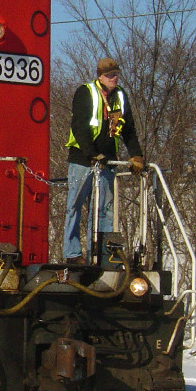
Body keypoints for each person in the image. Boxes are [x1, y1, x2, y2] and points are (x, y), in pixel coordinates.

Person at [62, 57, 145, 264]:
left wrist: (136, 155)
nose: (114, 78)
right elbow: (79, 126)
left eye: (116, 74)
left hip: (107, 162)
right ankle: (72, 254)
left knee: (104, 210)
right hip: (82, 160)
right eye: (109, 75)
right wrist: (91, 153)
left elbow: (128, 129)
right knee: (75, 205)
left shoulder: (120, 96)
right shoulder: (86, 92)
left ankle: (101, 255)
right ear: (100, 76)